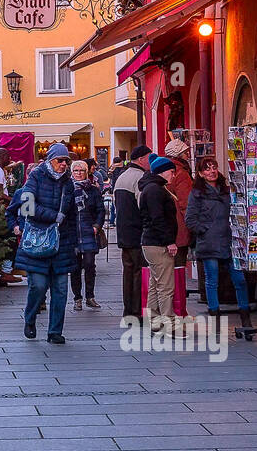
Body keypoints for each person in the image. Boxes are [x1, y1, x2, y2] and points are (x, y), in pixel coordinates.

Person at [15, 143, 77, 344]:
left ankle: (55, 332)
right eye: (60, 160)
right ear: (50, 160)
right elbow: (26, 206)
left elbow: (73, 212)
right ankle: (30, 318)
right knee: (38, 286)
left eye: (66, 161)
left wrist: (77, 241)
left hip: (62, 242)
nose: (64, 164)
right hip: (38, 241)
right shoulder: (36, 176)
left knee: (60, 290)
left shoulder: (68, 181)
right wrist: (53, 216)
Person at [185, 156, 253, 331]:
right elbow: (190, 219)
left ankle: (245, 315)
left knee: (240, 279)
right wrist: (206, 230)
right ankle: (214, 315)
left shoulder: (227, 189)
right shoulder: (197, 193)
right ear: (200, 173)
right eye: (206, 169)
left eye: (213, 167)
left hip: (232, 241)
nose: (211, 171)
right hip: (210, 242)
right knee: (212, 280)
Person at [139, 156, 180, 330]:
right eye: (171, 172)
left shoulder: (152, 188)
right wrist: (169, 241)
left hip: (152, 242)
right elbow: (158, 219)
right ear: (162, 171)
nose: (174, 175)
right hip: (158, 243)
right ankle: (168, 323)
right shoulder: (156, 190)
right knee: (165, 285)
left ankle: (154, 321)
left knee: (156, 284)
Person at [113, 144, 153, 320]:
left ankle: (127, 311)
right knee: (138, 272)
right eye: (149, 158)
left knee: (128, 271)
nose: (150, 162)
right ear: (141, 159)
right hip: (137, 232)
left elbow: (116, 205)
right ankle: (136, 312)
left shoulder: (122, 177)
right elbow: (142, 205)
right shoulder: (141, 178)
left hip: (124, 232)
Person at [70, 159, 105, 311]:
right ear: (72, 172)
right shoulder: (67, 189)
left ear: (86, 172)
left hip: (89, 231)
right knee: (75, 267)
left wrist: (97, 226)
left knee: (90, 264)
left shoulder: (93, 190)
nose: (78, 173)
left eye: (81, 170)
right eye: (76, 171)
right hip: (72, 232)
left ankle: (90, 296)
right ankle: (77, 298)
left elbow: (100, 210)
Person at [164, 138, 193, 314]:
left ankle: (167, 308)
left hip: (165, 227)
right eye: (185, 152)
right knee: (178, 269)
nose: (188, 155)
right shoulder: (181, 173)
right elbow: (186, 203)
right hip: (178, 227)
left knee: (166, 271)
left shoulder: (162, 170)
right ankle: (178, 309)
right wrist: (192, 225)